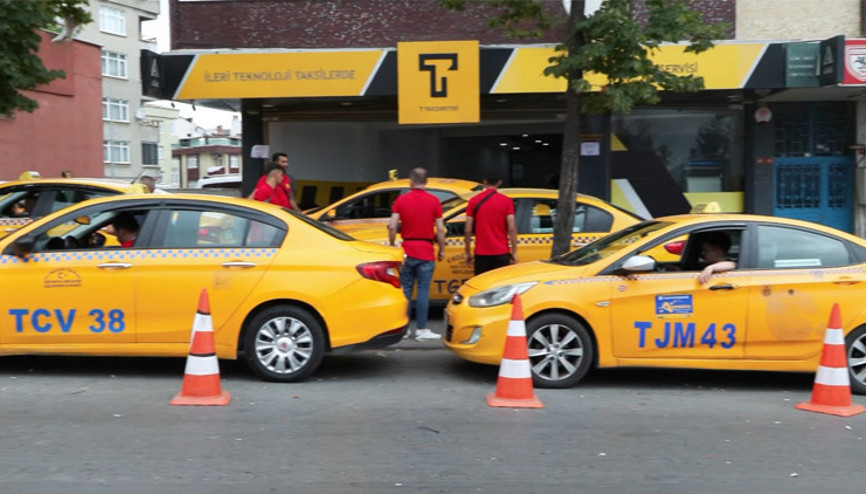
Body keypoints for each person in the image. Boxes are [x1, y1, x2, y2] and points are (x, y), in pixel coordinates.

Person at [388, 167, 446, 342]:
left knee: (405, 289)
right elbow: (441, 229)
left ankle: (403, 328)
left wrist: (392, 244)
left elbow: (392, 226)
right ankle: (422, 329)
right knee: (422, 291)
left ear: (410, 182)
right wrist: (442, 249)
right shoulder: (434, 201)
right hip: (426, 250)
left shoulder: (401, 200)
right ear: (426, 182)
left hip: (407, 250)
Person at [464, 168, 517, 275]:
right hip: (501, 252)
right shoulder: (506, 201)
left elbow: (468, 230)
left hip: (481, 253)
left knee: (482, 285)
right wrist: (514, 252)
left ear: (484, 182)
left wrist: (467, 252)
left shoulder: (473, 201)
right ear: (500, 182)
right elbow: (511, 228)